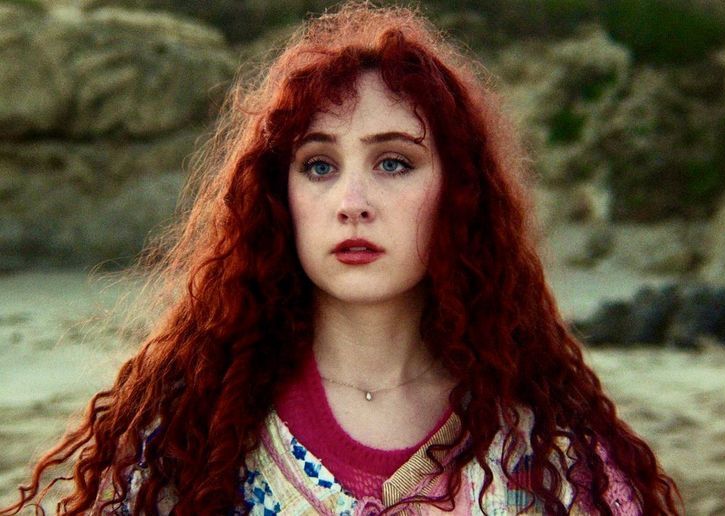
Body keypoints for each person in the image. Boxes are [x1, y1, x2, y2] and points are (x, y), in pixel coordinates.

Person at [3, 3, 681, 515]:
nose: (352, 202)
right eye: (318, 165)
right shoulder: (187, 429)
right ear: (279, 196)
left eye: (394, 162)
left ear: (458, 194)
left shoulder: (550, 453)